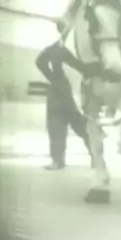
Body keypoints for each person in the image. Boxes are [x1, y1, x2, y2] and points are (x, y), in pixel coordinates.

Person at [36, 37, 90, 170]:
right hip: (63, 87)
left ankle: (58, 160)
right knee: (75, 122)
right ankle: (94, 152)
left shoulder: (57, 49)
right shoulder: (63, 49)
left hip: (59, 88)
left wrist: (51, 76)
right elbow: (80, 66)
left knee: (57, 124)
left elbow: (39, 61)